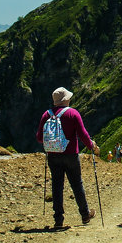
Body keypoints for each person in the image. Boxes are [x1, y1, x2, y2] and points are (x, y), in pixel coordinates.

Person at [38, 86, 100, 228]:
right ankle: (85, 214)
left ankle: (58, 219)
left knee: (57, 185)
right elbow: (83, 135)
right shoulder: (72, 113)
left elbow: (39, 138)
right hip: (71, 154)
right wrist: (92, 146)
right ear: (65, 99)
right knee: (77, 184)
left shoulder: (46, 115)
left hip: (53, 156)